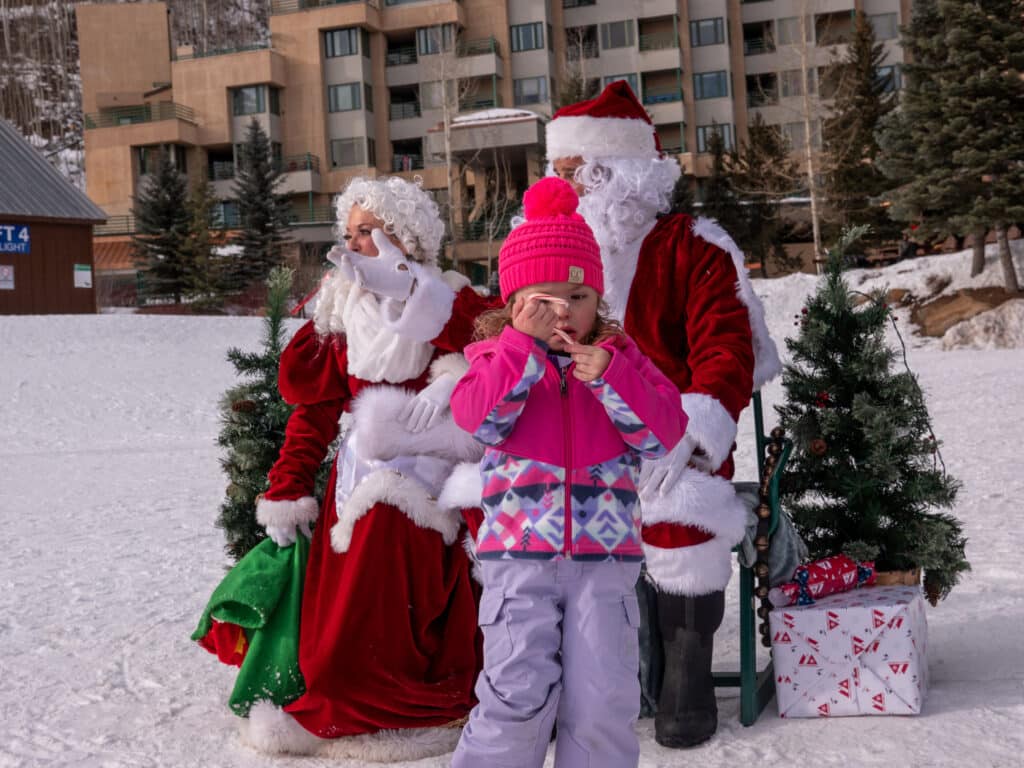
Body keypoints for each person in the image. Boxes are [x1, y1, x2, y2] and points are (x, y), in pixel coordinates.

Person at [202, 175, 497, 760]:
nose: (354, 245)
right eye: (350, 232)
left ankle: (395, 699)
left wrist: (415, 291)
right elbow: (314, 414)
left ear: (405, 237)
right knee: (346, 595)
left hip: (434, 479)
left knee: (399, 590)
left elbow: (495, 351)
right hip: (357, 479)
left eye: (369, 232)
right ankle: (345, 693)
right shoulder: (341, 310)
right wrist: (287, 485)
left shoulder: (453, 298)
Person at [545, 81, 782, 748]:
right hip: (573, 438)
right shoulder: (548, 254)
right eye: (558, 172)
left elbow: (726, 350)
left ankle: (686, 667)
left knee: (681, 510)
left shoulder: (694, 246)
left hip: (673, 440)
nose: (567, 188)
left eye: (577, 171)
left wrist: (693, 432)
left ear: (621, 172)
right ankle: (568, 670)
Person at [448, 176, 688, 768]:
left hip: (604, 565)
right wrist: (520, 351)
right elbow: (478, 420)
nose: (564, 312)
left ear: (597, 299)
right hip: (517, 562)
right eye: (543, 300)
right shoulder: (493, 362)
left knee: (604, 700)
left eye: (577, 298)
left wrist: (612, 376)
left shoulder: (621, 361)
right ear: (514, 304)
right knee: (514, 694)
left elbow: (663, 435)